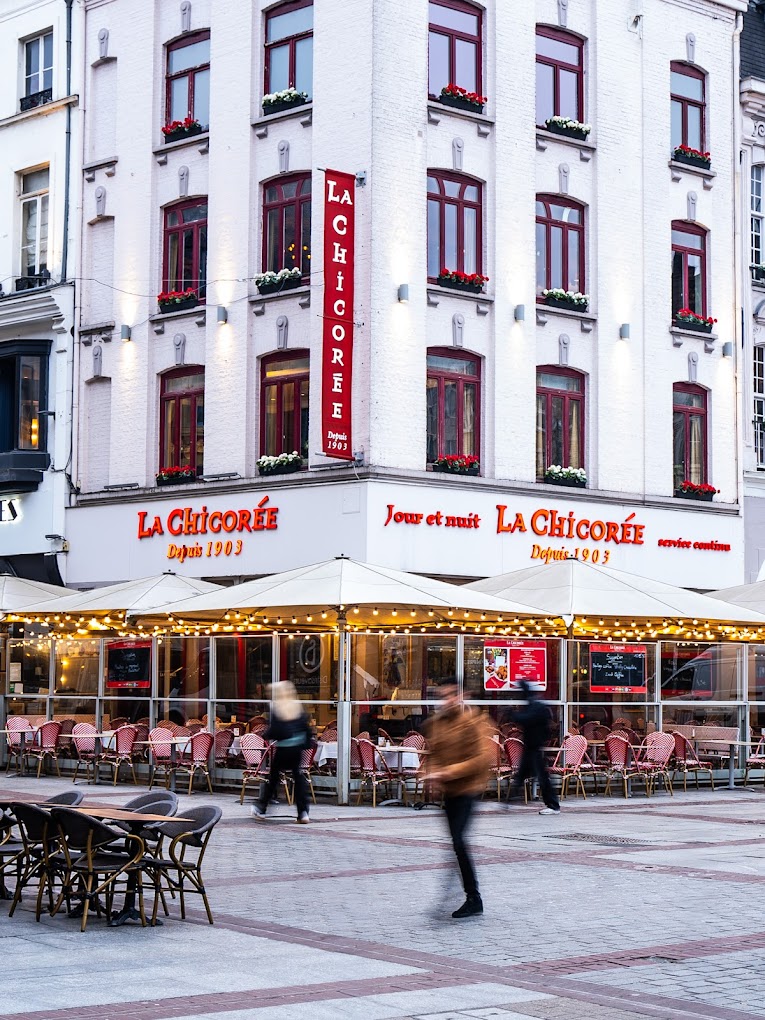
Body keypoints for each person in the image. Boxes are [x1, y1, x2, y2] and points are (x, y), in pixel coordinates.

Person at [423, 683, 492, 919]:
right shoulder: (436, 723)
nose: (447, 700)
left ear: (463, 696)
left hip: (469, 789)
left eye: (452, 695)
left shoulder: (474, 721)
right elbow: (433, 753)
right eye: (443, 695)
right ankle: (460, 890)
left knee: (459, 841)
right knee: (456, 844)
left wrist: (447, 772)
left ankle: (473, 897)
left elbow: (482, 759)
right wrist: (432, 775)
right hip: (449, 792)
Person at [251, 681, 312, 824]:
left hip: (284, 747)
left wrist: (265, 735)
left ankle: (262, 807)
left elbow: (276, 729)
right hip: (297, 747)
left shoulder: (277, 706)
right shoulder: (297, 705)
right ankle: (303, 812)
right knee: (298, 778)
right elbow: (305, 727)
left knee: (273, 778)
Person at [508, 680, 560, 815]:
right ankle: (508, 802)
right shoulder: (534, 704)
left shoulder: (536, 706)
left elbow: (527, 719)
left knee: (541, 777)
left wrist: (512, 714)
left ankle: (553, 805)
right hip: (531, 747)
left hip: (534, 747)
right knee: (523, 775)